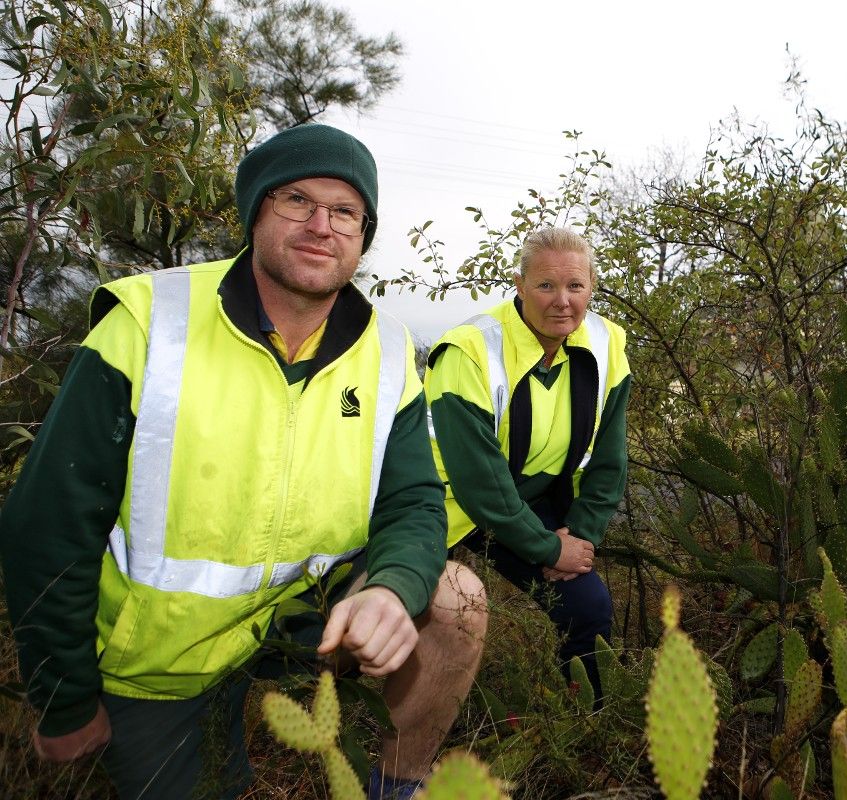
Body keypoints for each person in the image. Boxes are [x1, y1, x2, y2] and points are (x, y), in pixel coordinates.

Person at [0, 123, 486, 800]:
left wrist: (391, 587)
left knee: (454, 598)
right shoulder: (149, 324)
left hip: (304, 626)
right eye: (296, 201)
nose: (322, 225)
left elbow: (414, 502)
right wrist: (63, 697)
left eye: (345, 211)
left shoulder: (387, 353)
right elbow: (48, 523)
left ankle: (395, 784)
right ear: (256, 212)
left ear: (364, 234)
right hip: (160, 662)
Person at [423, 227, 630, 695]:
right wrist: (546, 548)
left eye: (576, 286)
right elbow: (479, 483)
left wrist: (579, 536)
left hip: (527, 498)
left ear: (592, 287)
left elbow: (610, 458)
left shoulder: (606, 343)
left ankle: (585, 719)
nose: (562, 301)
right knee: (410, 612)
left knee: (589, 607)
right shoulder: (470, 350)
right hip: (445, 504)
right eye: (545, 285)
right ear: (519, 286)